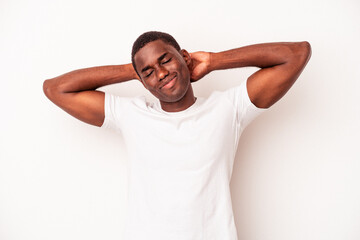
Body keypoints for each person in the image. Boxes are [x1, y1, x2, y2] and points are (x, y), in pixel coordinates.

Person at [43, 31, 311, 240]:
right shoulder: (130, 114)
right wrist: (131, 70)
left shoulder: (228, 108)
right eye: (148, 71)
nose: (160, 73)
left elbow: (297, 54)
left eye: (165, 60)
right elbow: (56, 89)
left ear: (184, 56)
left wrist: (214, 60)